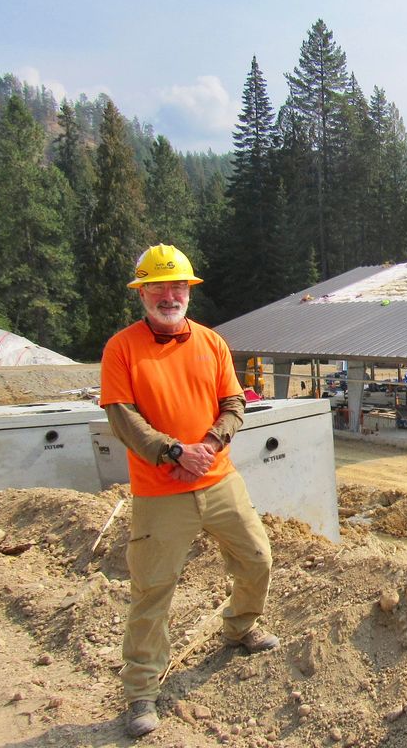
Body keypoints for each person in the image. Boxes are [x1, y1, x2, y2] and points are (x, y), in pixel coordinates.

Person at [100, 244, 278, 738]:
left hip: (219, 479)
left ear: (188, 291)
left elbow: (234, 402)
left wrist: (208, 445)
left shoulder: (211, 343)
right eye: (158, 287)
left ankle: (240, 627)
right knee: (153, 588)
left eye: (178, 286)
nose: (169, 295)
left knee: (257, 558)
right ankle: (141, 690)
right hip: (160, 491)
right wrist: (173, 452)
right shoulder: (122, 348)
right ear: (142, 293)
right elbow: (122, 417)